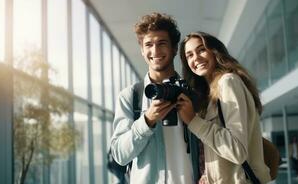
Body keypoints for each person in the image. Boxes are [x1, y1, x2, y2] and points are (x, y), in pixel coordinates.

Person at [110, 12, 200, 184]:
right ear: (142, 51)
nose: (155, 50)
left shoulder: (193, 92)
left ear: (174, 48)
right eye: (149, 44)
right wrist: (147, 121)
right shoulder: (130, 96)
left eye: (162, 43)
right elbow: (120, 155)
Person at [176, 31, 271, 183]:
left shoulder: (228, 82)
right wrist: (208, 174)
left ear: (214, 51)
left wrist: (193, 121)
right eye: (189, 55)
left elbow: (237, 150)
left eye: (201, 50)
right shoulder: (208, 94)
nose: (196, 58)